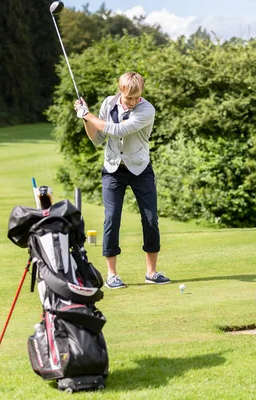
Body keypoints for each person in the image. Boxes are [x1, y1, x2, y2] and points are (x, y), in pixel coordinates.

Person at [74, 71, 170, 289]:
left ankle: (152, 273)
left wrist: (87, 115)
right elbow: (97, 139)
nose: (133, 102)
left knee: (150, 219)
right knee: (111, 218)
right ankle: (112, 275)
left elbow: (118, 129)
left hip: (140, 168)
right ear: (121, 92)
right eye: (129, 98)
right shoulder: (109, 103)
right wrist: (84, 118)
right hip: (113, 169)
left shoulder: (147, 109)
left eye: (137, 97)